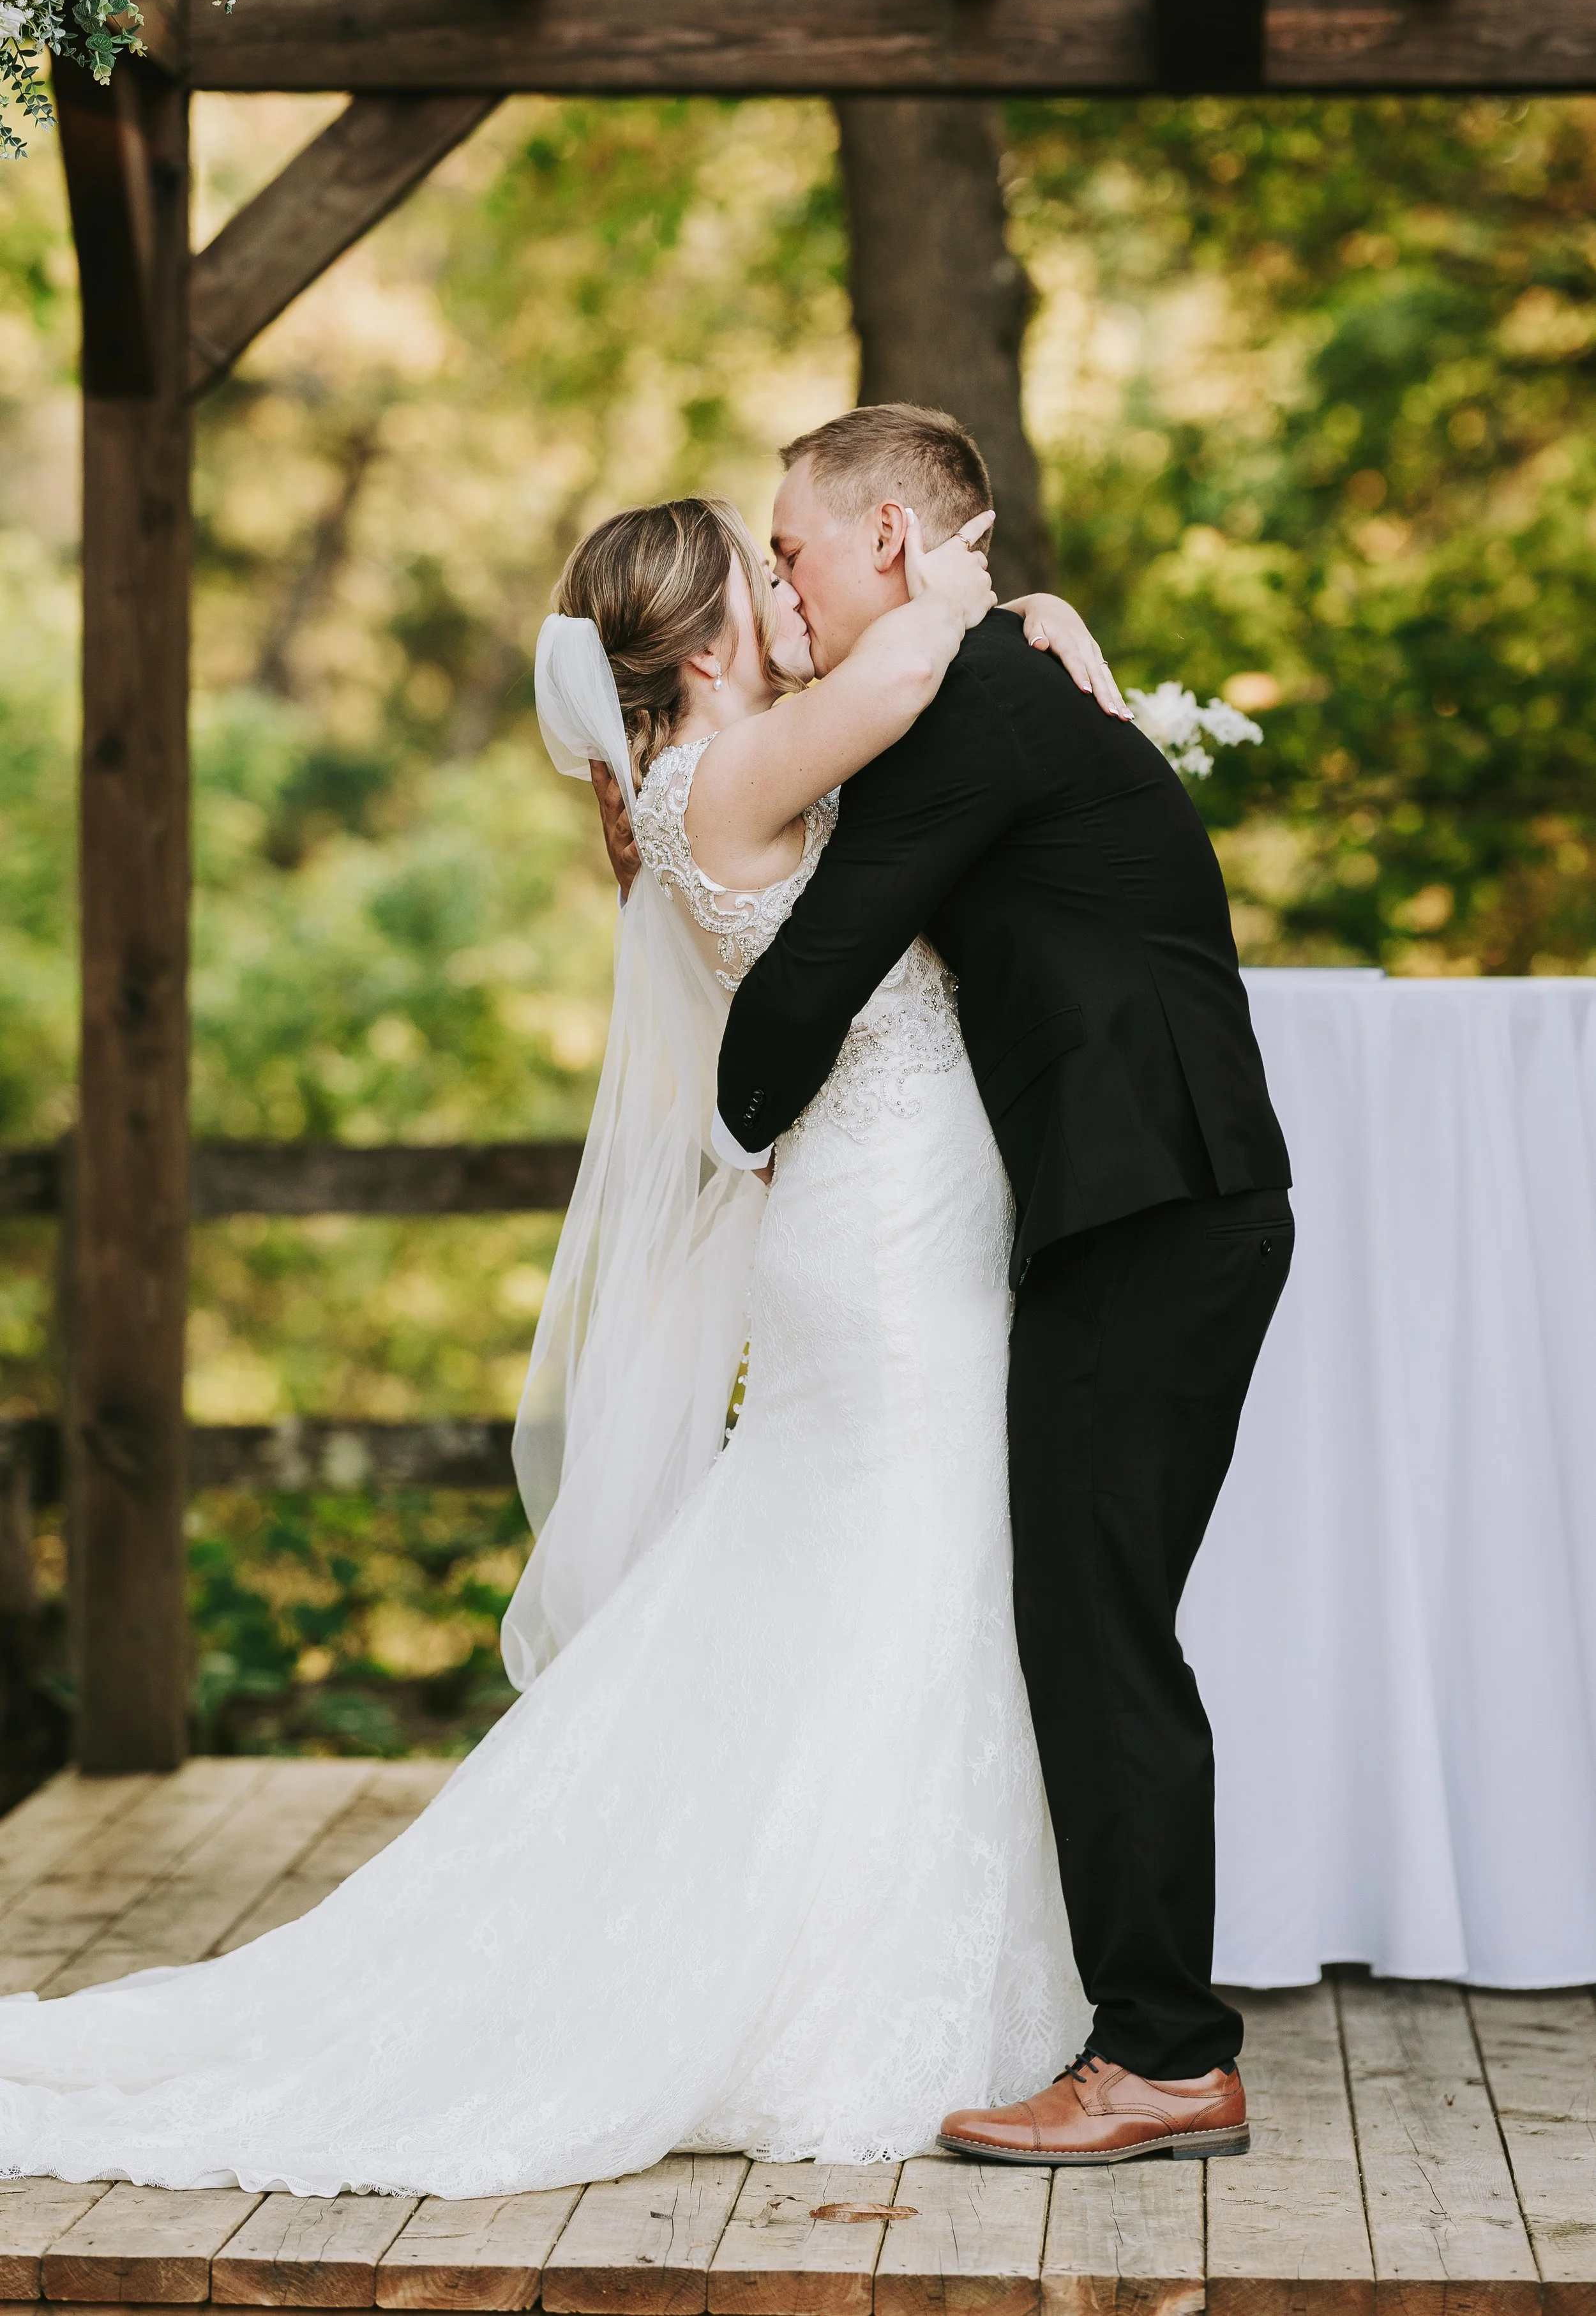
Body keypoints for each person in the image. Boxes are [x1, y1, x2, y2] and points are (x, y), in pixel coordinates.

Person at [0, 489, 1118, 2196]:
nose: (780, 593)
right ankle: (843, 2000)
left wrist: (1011, 622)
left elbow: (910, 728)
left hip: (895, 1227)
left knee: (883, 1584)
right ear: (693, 648)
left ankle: (863, 1959)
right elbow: (906, 674)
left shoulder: (739, 771)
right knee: (913, 1573)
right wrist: (997, 590)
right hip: (880, 1252)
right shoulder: (720, 781)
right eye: (758, 579)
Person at [705, 404, 1293, 2168]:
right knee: (1091, 1614)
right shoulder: (994, 676)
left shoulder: (968, 709)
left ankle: (1162, 2054)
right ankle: (1147, 2034)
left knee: (1091, 1623)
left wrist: (729, 1110)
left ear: (889, 539)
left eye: (795, 545)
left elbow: (812, 975)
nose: (783, 584)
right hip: (1157, 1201)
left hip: (1148, 1207)